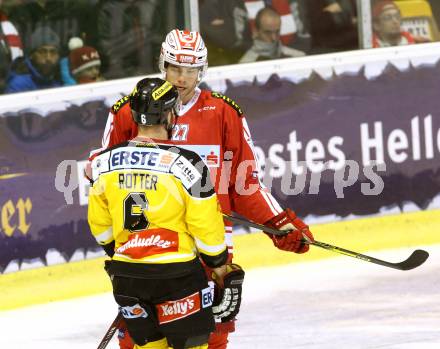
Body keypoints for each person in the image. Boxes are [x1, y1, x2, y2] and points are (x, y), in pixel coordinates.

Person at [98, 29, 314, 349]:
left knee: (209, 339)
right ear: (163, 65)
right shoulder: (130, 111)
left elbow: (245, 184)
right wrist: (119, 252)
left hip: (208, 250)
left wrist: (279, 222)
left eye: (191, 70)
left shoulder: (224, 113)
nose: (182, 78)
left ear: (203, 71)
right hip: (147, 249)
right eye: (175, 68)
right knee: (140, 341)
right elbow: (104, 184)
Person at [88, 78, 244, 349]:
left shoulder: (102, 163)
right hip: (178, 275)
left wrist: (121, 253)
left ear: (135, 115)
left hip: (129, 276)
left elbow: (99, 224)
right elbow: (204, 224)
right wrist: (218, 263)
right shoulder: (188, 163)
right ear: (171, 114)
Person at [5, 26, 62, 93]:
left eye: (53, 52)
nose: (48, 58)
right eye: (42, 52)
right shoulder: (19, 85)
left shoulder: (58, 79)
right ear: (32, 55)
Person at [239, 7, 305, 63]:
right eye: (267, 33)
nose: (274, 38)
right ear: (255, 32)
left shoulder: (298, 58)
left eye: (277, 31)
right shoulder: (245, 64)